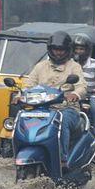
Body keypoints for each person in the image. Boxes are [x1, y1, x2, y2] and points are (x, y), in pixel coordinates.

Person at [25, 31, 88, 166]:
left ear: (67, 50)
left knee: (61, 120)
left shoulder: (74, 67)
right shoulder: (40, 66)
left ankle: (62, 158)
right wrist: (20, 96)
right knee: (23, 117)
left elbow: (82, 86)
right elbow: (28, 85)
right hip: (42, 109)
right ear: (50, 49)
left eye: (61, 50)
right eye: (55, 49)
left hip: (66, 109)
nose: (58, 53)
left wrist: (75, 95)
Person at [73, 33, 95, 136]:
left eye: (81, 49)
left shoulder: (94, 63)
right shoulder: (71, 63)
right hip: (74, 94)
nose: (78, 52)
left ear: (87, 50)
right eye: (76, 49)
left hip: (91, 95)